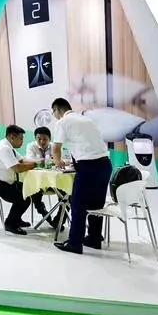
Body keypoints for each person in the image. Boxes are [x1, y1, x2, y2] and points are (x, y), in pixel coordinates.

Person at [50, 97, 113, 255]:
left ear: (57, 110)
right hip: (105, 165)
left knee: (78, 204)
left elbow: (56, 148)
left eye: (53, 112)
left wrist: (57, 162)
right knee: (96, 205)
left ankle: (74, 243)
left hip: (88, 167)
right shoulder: (87, 119)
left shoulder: (63, 122)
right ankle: (94, 238)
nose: (54, 116)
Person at [0, 125, 51, 235]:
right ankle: (10, 224)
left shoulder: (9, 147)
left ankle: (16, 218)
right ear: (12, 137)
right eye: (21, 138)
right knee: (23, 197)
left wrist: (39, 161)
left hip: (1, 182)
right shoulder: (4, 148)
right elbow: (17, 168)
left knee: (28, 190)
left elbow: (22, 160)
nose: (22, 141)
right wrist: (35, 164)